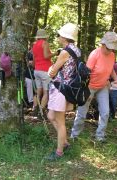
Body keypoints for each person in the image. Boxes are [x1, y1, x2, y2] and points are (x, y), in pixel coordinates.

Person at [71, 32, 117, 142]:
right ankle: (74, 136)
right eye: (109, 48)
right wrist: (86, 90)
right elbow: (86, 73)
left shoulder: (112, 55)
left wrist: (116, 79)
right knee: (82, 113)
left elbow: (111, 68)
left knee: (105, 112)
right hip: (89, 87)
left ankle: (100, 136)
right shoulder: (95, 54)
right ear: (103, 44)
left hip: (103, 86)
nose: (110, 51)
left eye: (112, 48)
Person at [46, 23, 80, 160]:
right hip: (68, 88)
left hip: (61, 89)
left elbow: (53, 71)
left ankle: (59, 152)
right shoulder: (76, 50)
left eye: (60, 35)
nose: (58, 37)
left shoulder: (65, 52)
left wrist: (50, 70)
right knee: (50, 116)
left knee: (60, 122)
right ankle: (64, 142)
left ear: (65, 37)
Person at [32, 28, 55, 113]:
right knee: (46, 92)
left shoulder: (34, 45)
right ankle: (41, 112)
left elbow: (34, 59)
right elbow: (46, 56)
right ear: (45, 36)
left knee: (38, 91)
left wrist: (34, 66)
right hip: (45, 70)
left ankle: (35, 108)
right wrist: (55, 53)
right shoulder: (45, 43)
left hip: (37, 70)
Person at [24, 45, 36, 109]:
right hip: (28, 76)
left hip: (37, 76)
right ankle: (31, 101)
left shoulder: (39, 54)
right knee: (29, 83)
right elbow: (27, 63)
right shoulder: (28, 54)